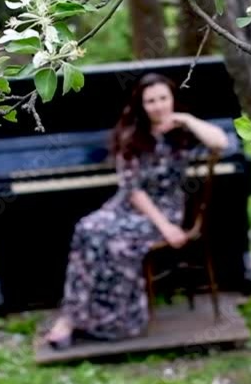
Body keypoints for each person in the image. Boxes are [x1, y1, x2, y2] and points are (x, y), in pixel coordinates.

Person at [43, 73, 230, 349]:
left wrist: (187, 119)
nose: (158, 106)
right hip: (131, 207)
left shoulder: (184, 132)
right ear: (141, 105)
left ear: (172, 99)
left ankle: (117, 321)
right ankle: (73, 317)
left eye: (163, 98)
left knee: (115, 244)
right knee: (86, 229)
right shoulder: (131, 135)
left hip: (167, 210)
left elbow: (221, 143)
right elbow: (133, 190)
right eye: (151, 101)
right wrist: (164, 228)